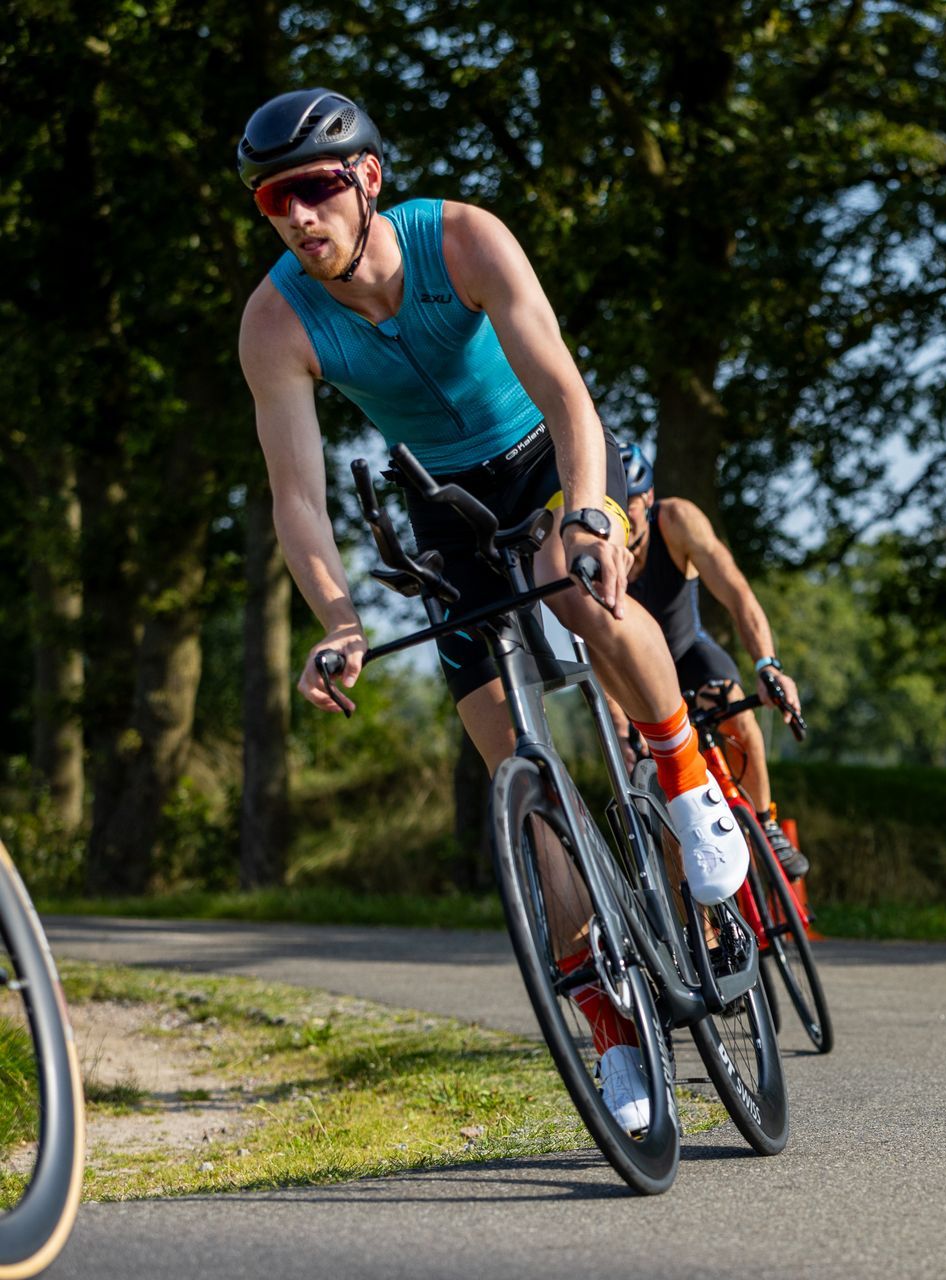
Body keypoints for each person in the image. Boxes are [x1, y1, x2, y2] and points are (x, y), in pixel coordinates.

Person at [234, 88, 746, 1133]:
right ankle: (609, 1027)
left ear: (369, 179)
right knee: (503, 749)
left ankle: (691, 786)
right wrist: (337, 619)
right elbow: (298, 498)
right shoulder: (276, 318)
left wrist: (597, 512)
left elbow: (565, 392)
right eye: (273, 199)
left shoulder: (462, 237)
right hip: (448, 504)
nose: (296, 214)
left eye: (316, 188)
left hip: (549, 458)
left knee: (575, 580)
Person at [616, 446, 809, 880]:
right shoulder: (598, 545)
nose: (621, 523)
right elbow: (595, 651)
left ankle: (764, 821)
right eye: (613, 509)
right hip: (638, 675)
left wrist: (768, 664)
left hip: (689, 653)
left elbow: (737, 592)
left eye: (628, 507)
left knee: (735, 709)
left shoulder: (677, 520)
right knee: (654, 777)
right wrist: (621, 727)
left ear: (648, 499)